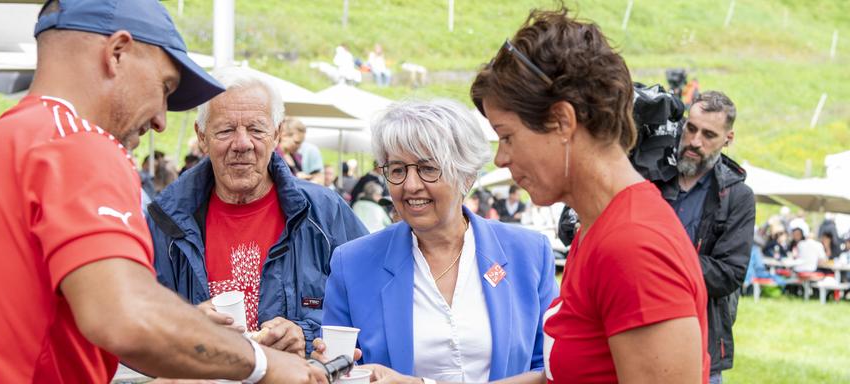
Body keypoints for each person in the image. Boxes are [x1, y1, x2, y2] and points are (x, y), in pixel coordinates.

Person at [0, 1, 328, 383]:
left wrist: (184, 331)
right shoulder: (79, 145)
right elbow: (124, 317)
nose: (160, 119)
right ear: (117, 53)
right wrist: (262, 363)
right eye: (165, 88)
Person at [470, 7, 709, 383]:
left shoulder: (633, 246)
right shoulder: (598, 227)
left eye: (507, 136)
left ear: (562, 121)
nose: (501, 158)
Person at [319, 99, 559, 382]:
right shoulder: (353, 263)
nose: (410, 185)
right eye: (397, 170)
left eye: (428, 168)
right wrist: (331, 368)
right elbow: (340, 369)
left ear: (466, 176)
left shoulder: (528, 254)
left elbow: (551, 369)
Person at [146, 66, 368, 356]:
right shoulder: (166, 222)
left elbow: (372, 306)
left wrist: (306, 332)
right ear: (202, 137)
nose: (242, 144)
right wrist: (187, 326)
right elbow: (133, 323)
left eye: (256, 129)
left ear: (276, 134)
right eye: (225, 130)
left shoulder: (325, 213)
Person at [656, 91, 755, 384]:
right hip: (639, 330)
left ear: (728, 138)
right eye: (691, 128)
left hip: (700, 345)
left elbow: (729, 273)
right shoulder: (651, 176)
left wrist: (660, 261)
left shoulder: (737, 197)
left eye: (709, 134)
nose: (695, 142)